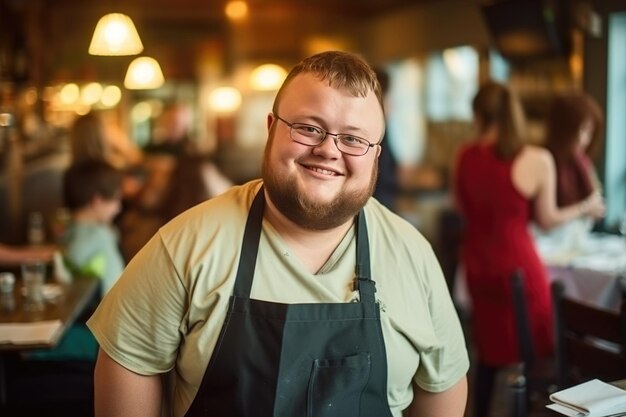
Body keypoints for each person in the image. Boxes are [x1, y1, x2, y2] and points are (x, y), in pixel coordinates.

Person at [87, 50, 469, 417]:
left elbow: (444, 383)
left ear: (375, 154)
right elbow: (129, 365)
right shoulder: (186, 244)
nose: (329, 150)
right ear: (272, 129)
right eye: (308, 128)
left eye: (353, 138)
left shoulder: (412, 254)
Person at [452, 80, 605, 417]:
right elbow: (548, 220)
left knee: (487, 354)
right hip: (517, 268)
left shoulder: (464, 156)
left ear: (478, 115)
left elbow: (461, 207)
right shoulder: (535, 159)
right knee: (540, 351)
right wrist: (584, 207)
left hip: (478, 265)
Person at [532, 92, 605, 249]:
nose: (583, 139)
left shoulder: (581, 162)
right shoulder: (543, 161)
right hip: (546, 247)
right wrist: (584, 208)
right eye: (581, 130)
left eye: (588, 132)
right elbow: (546, 219)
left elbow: (597, 204)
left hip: (571, 244)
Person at [59, 160, 125, 296]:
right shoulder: (99, 235)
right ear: (97, 201)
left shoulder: (67, 229)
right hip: (111, 309)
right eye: (115, 200)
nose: (118, 207)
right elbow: (75, 254)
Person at [373, 67, 400, 212]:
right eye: (390, 96)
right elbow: (382, 174)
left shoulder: (384, 126)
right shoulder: (373, 129)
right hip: (377, 204)